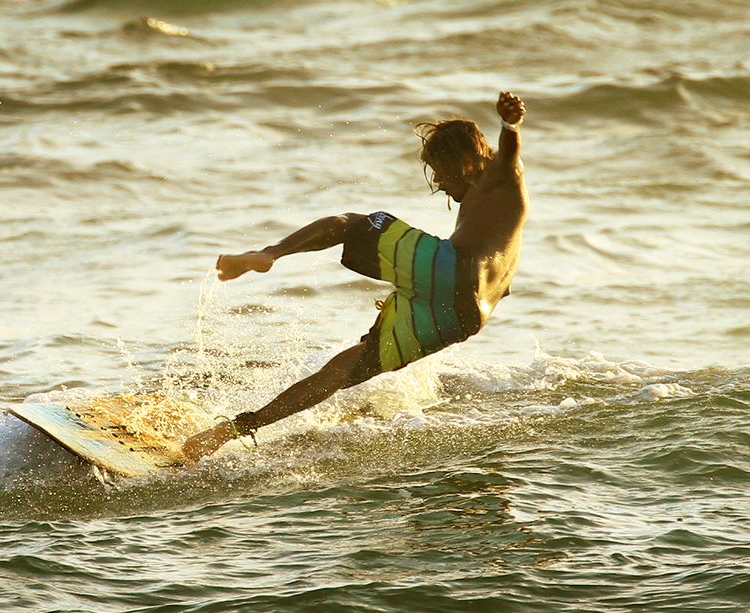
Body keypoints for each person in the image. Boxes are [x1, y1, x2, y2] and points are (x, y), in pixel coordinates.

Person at [182, 91, 528, 462]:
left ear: (464, 160)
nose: (440, 182)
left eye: (441, 171)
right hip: (464, 319)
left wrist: (510, 124)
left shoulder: (500, 173)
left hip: (453, 267)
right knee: (346, 368)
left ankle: (269, 253)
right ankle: (230, 430)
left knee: (350, 224)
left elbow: (509, 153)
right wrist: (412, 291)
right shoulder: (499, 208)